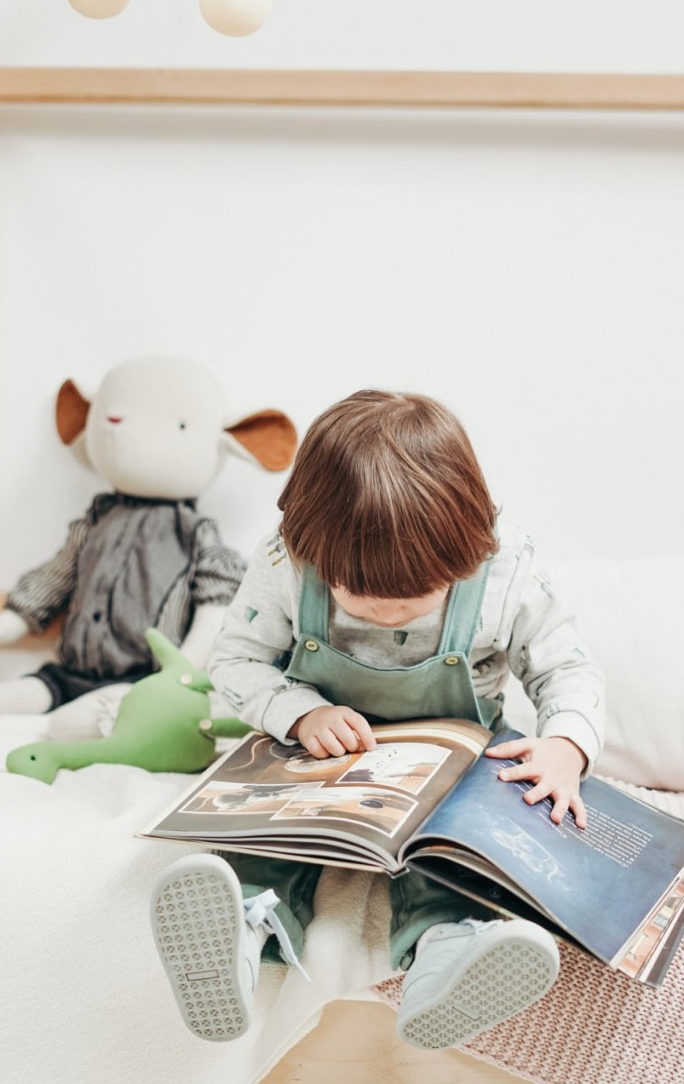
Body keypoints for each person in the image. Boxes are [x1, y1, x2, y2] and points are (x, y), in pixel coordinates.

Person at [149, 389, 605, 1049]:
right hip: (318, 759)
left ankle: (449, 956)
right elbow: (236, 659)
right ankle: (238, 934)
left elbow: (568, 669)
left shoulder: (507, 575)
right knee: (272, 841)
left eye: (414, 599)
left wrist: (565, 745)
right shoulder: (285, 564)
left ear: (470, 547)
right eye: (356, 595)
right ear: (309, 547)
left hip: (456, 765)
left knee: (455, 861)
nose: (385, 614)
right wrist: (299, 713)